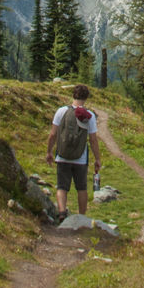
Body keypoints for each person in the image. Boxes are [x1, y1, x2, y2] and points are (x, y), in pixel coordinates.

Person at [45, 84, 101, 219]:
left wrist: (49, 152)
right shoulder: (90, 116)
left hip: (62, 156)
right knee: (81, 188)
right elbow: (93, 140)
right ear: (86, 97)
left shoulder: (61, 111)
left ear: (73, 95)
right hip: (80, 158)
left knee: (62, 187)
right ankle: (81, 217)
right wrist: (97, 159)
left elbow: (53, 134)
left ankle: (62, 212)